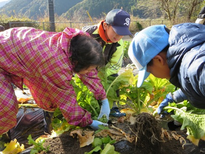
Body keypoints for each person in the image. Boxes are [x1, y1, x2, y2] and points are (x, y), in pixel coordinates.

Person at [0, 26, 110, 135]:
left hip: (15, 44)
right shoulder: (57, 66)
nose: (89, 72)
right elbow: (67, 101)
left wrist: (103, 97)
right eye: (88, 69)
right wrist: (88, 122)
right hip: (4, 50)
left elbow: (89, 73)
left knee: (50, 99)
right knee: (6, 109)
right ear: (77, 63)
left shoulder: (79, 42)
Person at [128, 23, 205, 115]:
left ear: (158, 60)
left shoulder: (197, 69)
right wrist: (175, 96)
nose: (156, 76)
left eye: (150, 71)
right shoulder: (192, 54)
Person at [82, 9, 132, 117]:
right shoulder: (87, 35)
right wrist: (92, 75)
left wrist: (102, 75)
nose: (119, 36)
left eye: (122, 34)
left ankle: (113, 106)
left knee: (114, 78)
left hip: (104, 71)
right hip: (84, 70)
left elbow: (115, 64)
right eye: (116, 31)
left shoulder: (118, 43)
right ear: (105, 26)